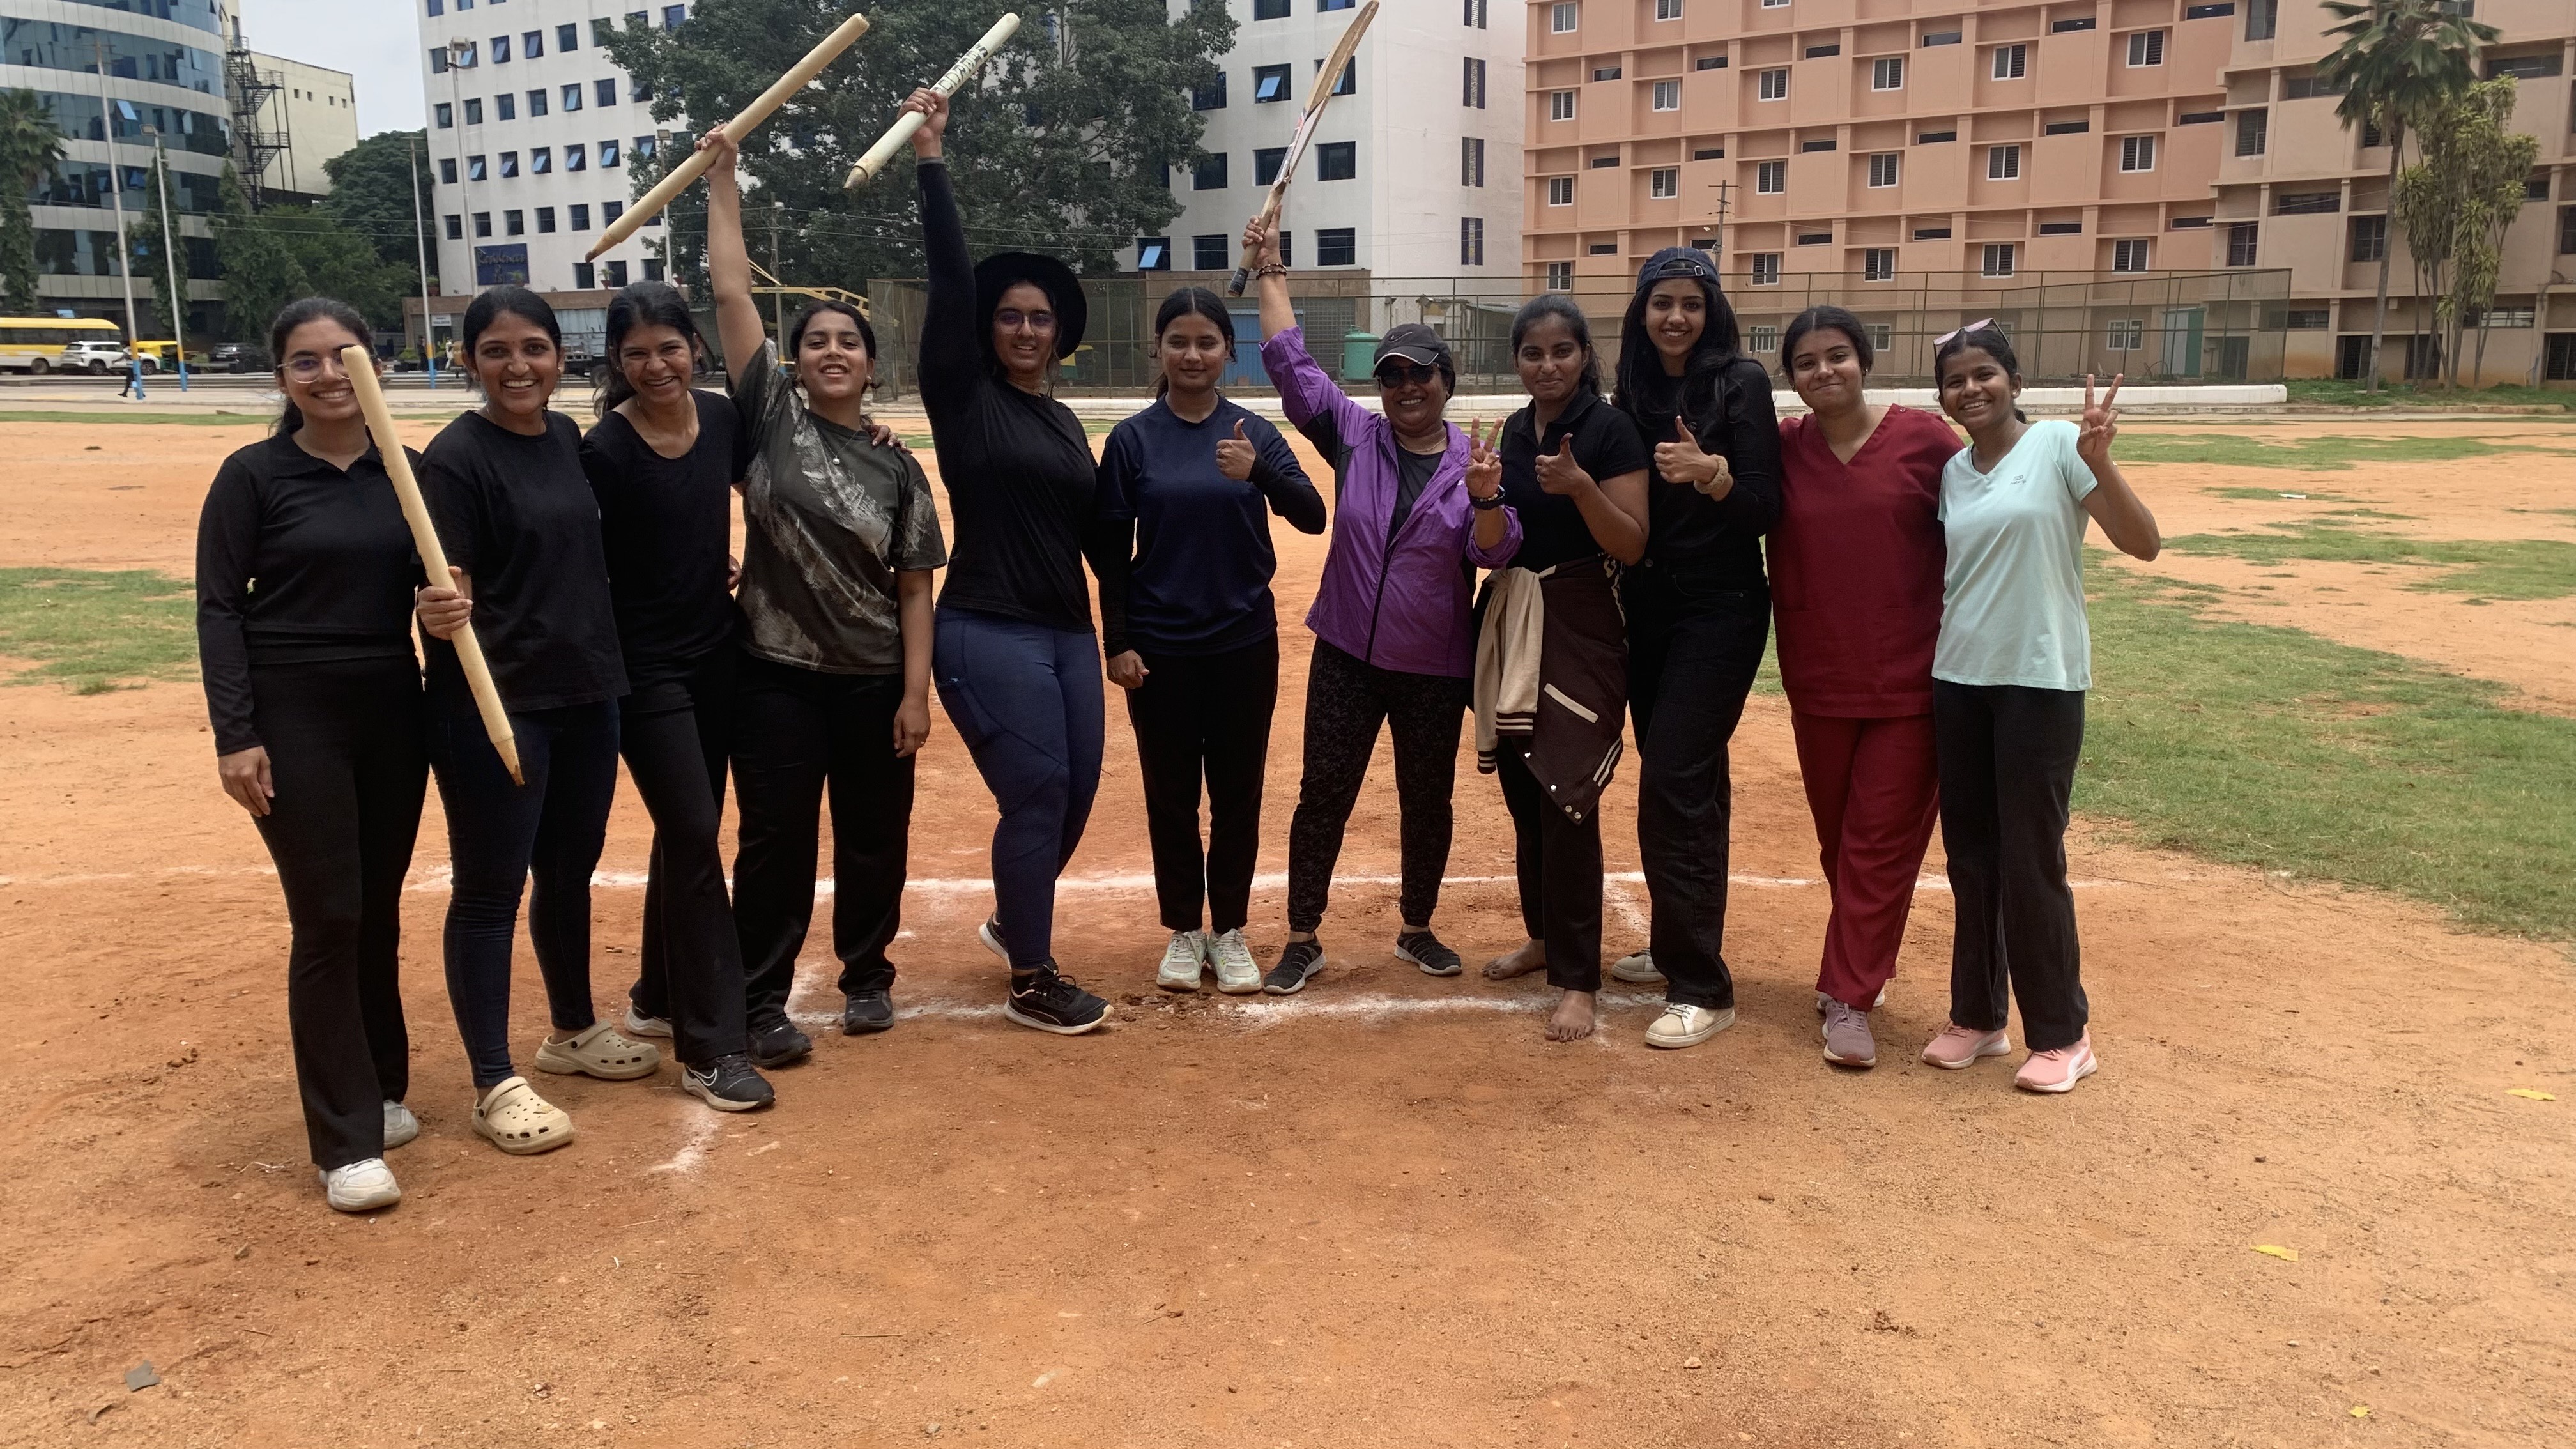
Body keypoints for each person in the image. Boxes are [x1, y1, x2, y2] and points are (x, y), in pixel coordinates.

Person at [696, 128, 946, 1052]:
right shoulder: (769, 419)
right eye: (817, 342)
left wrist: (916, 693)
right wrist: (725, 180)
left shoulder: (899, 468)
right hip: (774, 674)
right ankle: (760, 999)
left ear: (872, 365)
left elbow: (916, 588)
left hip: (876, 675)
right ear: (796, 362)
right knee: (775, 843)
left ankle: (867, 976)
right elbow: (730, 291)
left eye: (849, 342)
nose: (832, 351)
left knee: (875, 837)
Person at [196, 298, 441, 1213]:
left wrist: (449, 611)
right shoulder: (254, 476)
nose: (331, 376)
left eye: (348, 357)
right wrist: (237, 734)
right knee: (329, 917)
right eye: (307, 362)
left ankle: (380, 1087)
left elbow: (447, 590)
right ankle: (345, 1145)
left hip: (391, 705)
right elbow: (220, 608)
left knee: (377, 909)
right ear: (282, 379)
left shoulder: (406, 477)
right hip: (293, 709)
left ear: (376, 366)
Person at [1241, 215, 1521, 996]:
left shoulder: (1476, 460)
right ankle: (1302, 936)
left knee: (1425, 799)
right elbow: (1291, 366)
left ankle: (1417, 927)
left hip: (1432, 666)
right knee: (1323, 794)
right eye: (1392, 375)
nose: (1406, 387)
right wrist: (1272, 272)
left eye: (1420, 374)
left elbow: (1495, 552)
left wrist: (1489, 499)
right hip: (1347, 656)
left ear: (1446, 380)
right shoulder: (1355, 437)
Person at [415, 285, 656, 1154]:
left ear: (560, 358)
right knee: (489, 892)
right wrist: (437, 612)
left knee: (569, 873)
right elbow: (446, 590)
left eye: (535, 349)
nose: (518, 366)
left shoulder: (565, 439)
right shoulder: (454, 459)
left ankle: (570, 1030)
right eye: (497, 351)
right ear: (469, 361)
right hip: (496, 706)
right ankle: (491, 1080)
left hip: (587, 692)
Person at [900, 88, 1116, 1034]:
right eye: (1012, 317)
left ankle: (1010, 919)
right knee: (1036, 792)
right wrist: (932, 160)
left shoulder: (1066, 420)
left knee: (1073, 799)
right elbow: (950, 286)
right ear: (990, 328)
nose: (1027, 329)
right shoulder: (963, 396)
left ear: (1059, 335)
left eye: (1041, 319)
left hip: (1069, 631)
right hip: (987, 626)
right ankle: (1033, 977)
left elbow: (1100, 537)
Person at [1923, 323, 2159, 1093]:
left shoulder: (2059, 446)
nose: (1972, 390)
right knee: (1972, 858)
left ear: (2014, 381)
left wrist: (2101, 463)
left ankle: (2063, 1034)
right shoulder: (1955, 472)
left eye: (1985, 374)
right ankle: (1980, 1017)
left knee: (2032, 860)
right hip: (1959, 679)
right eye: (1956, 381)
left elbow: (2143, 542)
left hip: (2040, 681)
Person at [576, 280, 775, 1110]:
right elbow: (578, 560)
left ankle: (659, 996)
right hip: (645, 668)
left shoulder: (722, 419)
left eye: (669, 347)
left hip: (716, 651)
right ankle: (711, 1048)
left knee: (688, 833)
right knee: (693, 833)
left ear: (692, 347)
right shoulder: (606, 450)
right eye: (636, 354)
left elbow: (755, 499)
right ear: (618, 364)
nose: (656, 365)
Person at [1095, 288, 1324, 993]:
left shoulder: (1254, 432)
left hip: (1242, 646)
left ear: (1230, 351)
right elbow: (1109, 552)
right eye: (1178, 342)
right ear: (1158, 350)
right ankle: (1182, 930)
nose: (1192, 355)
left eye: (1207, 343)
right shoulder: (1133, 439)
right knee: (1170, 797)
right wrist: (1119, 643)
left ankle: (1228, 931)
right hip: (1160, 650)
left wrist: (1257, 472)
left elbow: (1314, 515)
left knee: (1236, 795)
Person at [1771, 306, 1961, 1070]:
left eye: (1839, 356)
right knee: (1838, 841)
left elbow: (1983, 519)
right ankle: (1862, 963)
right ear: (1792, 379)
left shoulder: (1926, 441)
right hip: (1818, 674)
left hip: (1911, 681)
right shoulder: (1782, 449)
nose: (1825, 371)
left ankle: (1848, 997)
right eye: (1808, 362)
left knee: (1881, 844)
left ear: (1866, 360)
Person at [1607, 247, 1784, 1050]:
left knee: (1673, 778)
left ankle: (1703, 988)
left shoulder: (1738, 382)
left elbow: (1765, 506)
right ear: (1641, 312)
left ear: (1712, 309)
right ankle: (1684, 941)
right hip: (1647, 608)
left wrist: (1712, 473)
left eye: (1691, 302)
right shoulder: (1634, 390)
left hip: (1721, 607)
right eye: (1661, 303)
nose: (1676, 317)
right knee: (1695, 783)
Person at [1473, 295, 1651, 1041]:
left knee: (1569, 794)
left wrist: (1580, 488)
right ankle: (1546, 938)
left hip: (1582, 622)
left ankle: (1579, 980)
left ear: (1585, 356)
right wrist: (1484, 498)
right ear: (1517, 360)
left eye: (1562, 352)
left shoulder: (1609, 429)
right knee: (1524, 790)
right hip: (1514, 616)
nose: (1547, 366)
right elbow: (1497, 537)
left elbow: (1633, 543)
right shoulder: (1515, 430)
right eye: (1533, 354)